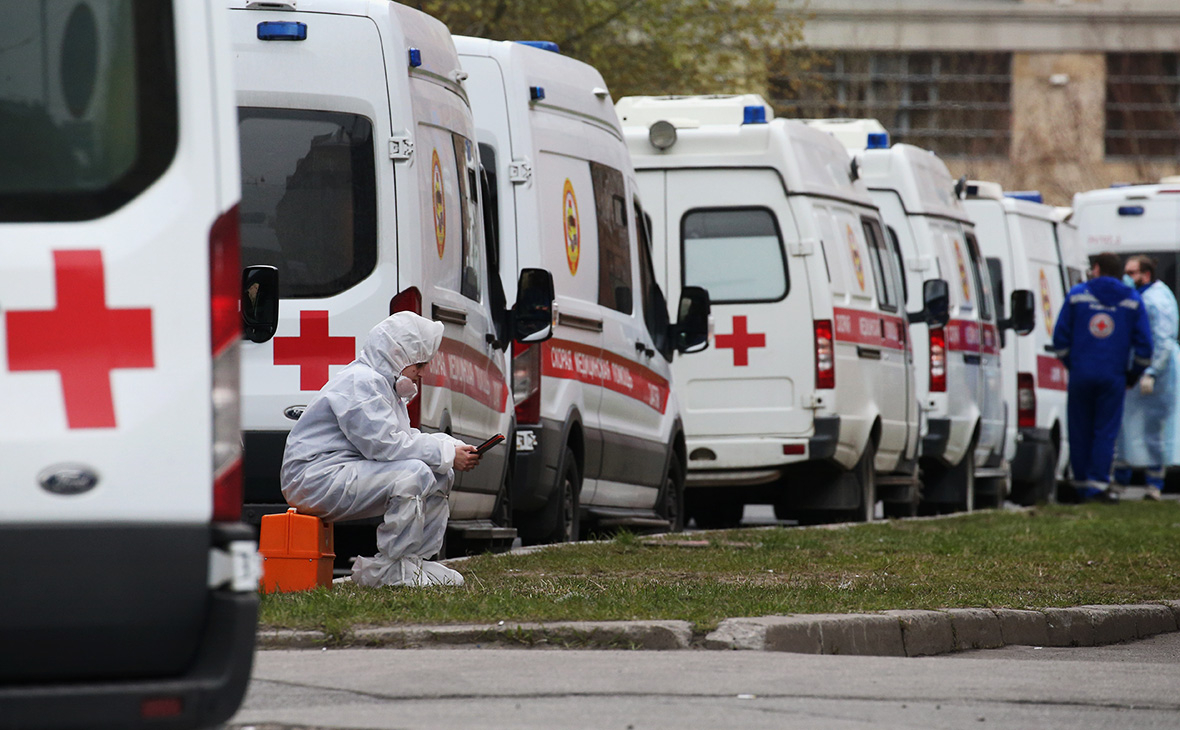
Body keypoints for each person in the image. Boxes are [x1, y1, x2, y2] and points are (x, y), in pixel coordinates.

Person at [280, 311, 480, 587]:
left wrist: (449, 449)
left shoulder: (382, 383)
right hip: (314, 479)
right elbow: (385, 445)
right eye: (418, 364)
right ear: (398, 355)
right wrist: (445, 452)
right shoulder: (361, 382)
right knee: (413, 474)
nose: (422, 373)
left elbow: (400, 438)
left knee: (439, 473)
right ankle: (390, 567)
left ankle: (414, 561)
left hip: (338, 472)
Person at [1053, 252, 1153, 504]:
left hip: (1081, 373)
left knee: (1079, 429)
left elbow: (1060, 339)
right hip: (1113, 376)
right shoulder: (1131, 299)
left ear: (1096, 268)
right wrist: (1132, 375)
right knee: (1105, 431)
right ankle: (1098, 485)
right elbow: (1145, 348)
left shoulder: (1077, 295)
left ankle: (1081, 484)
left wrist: (1072, 364)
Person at [1114, 255, 1179, 501]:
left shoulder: (1157, 300)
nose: (1127, 278)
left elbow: (1163, 340)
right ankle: (1121, 480)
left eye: (1132, 273)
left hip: (1157, 376)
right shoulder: (1142, 297)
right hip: (1137, 370)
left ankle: (1154, 483)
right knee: (1125, 427)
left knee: (1153, 430)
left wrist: (1151, 372)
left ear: (1146, 274)